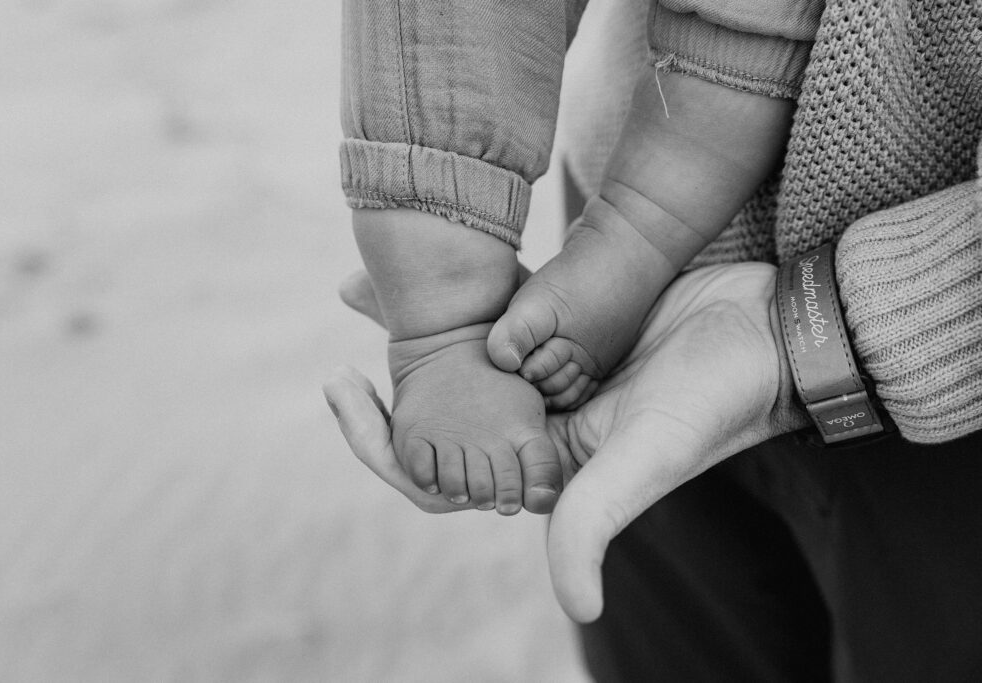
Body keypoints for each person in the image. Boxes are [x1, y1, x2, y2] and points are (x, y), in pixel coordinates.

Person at [331, 0, 982, 679]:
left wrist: (893, 315)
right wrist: (448, 276)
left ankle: (613, 239)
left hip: (953, 389)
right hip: (641, 273)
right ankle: (622, 234)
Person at [342, 0, 800, 515]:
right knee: (747, 28)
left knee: (748, 30)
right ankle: (623, 240)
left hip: (863, 387)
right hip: (706, 315)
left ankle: (629, 239)